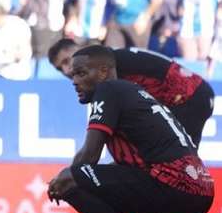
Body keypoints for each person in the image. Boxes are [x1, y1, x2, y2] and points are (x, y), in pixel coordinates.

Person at [47, 45, 214, 213]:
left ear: (104, 72)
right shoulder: (133, 92)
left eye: (81, 73)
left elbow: (89, 157)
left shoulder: (108, 90)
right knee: (120, 179)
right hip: (201, 190)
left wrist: (63, 179)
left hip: (175, 184)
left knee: (72, 182)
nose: (73, 80)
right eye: (72, 74)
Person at [48, 38, 215, 147]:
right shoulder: (109, 59)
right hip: (194, 95)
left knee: (172, 163)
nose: (66, 70)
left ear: (79, 49)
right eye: (60, 68)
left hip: (188, 98)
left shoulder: (104, 69)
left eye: (66, 60)